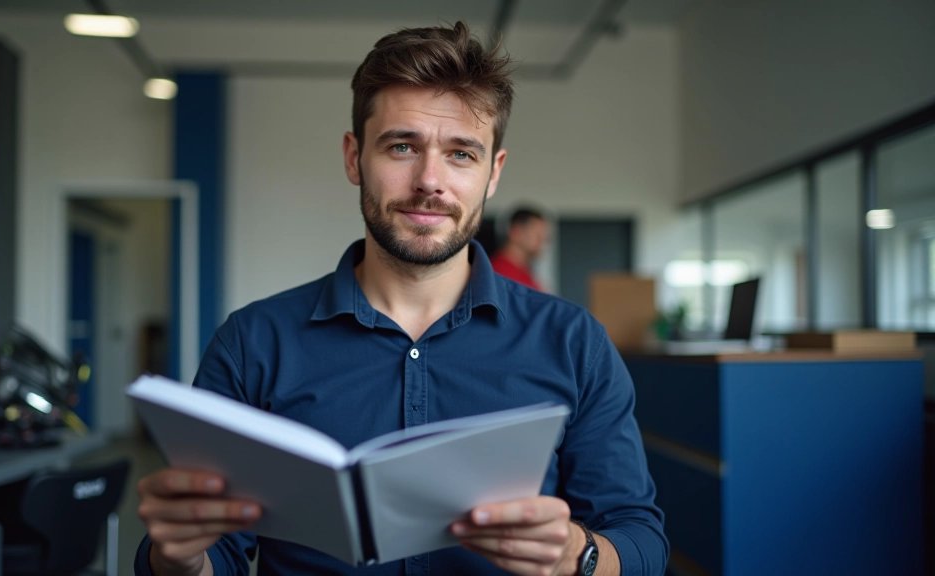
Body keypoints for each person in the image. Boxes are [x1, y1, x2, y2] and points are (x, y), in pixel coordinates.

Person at [134, 22, 667, 576]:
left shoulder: (574, 342)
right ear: (353, 157)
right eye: (402, 146)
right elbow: (210, 552)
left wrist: (574, 556)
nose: (429, 181)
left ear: (493, 174)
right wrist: (182, 555)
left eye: (461, 154)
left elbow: (641, 541)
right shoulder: (252, 343)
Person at [490, 207, 549, 291]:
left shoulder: (524, 271)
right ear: (516, 232)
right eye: (537, 235)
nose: (542, 241)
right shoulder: (499, 272)